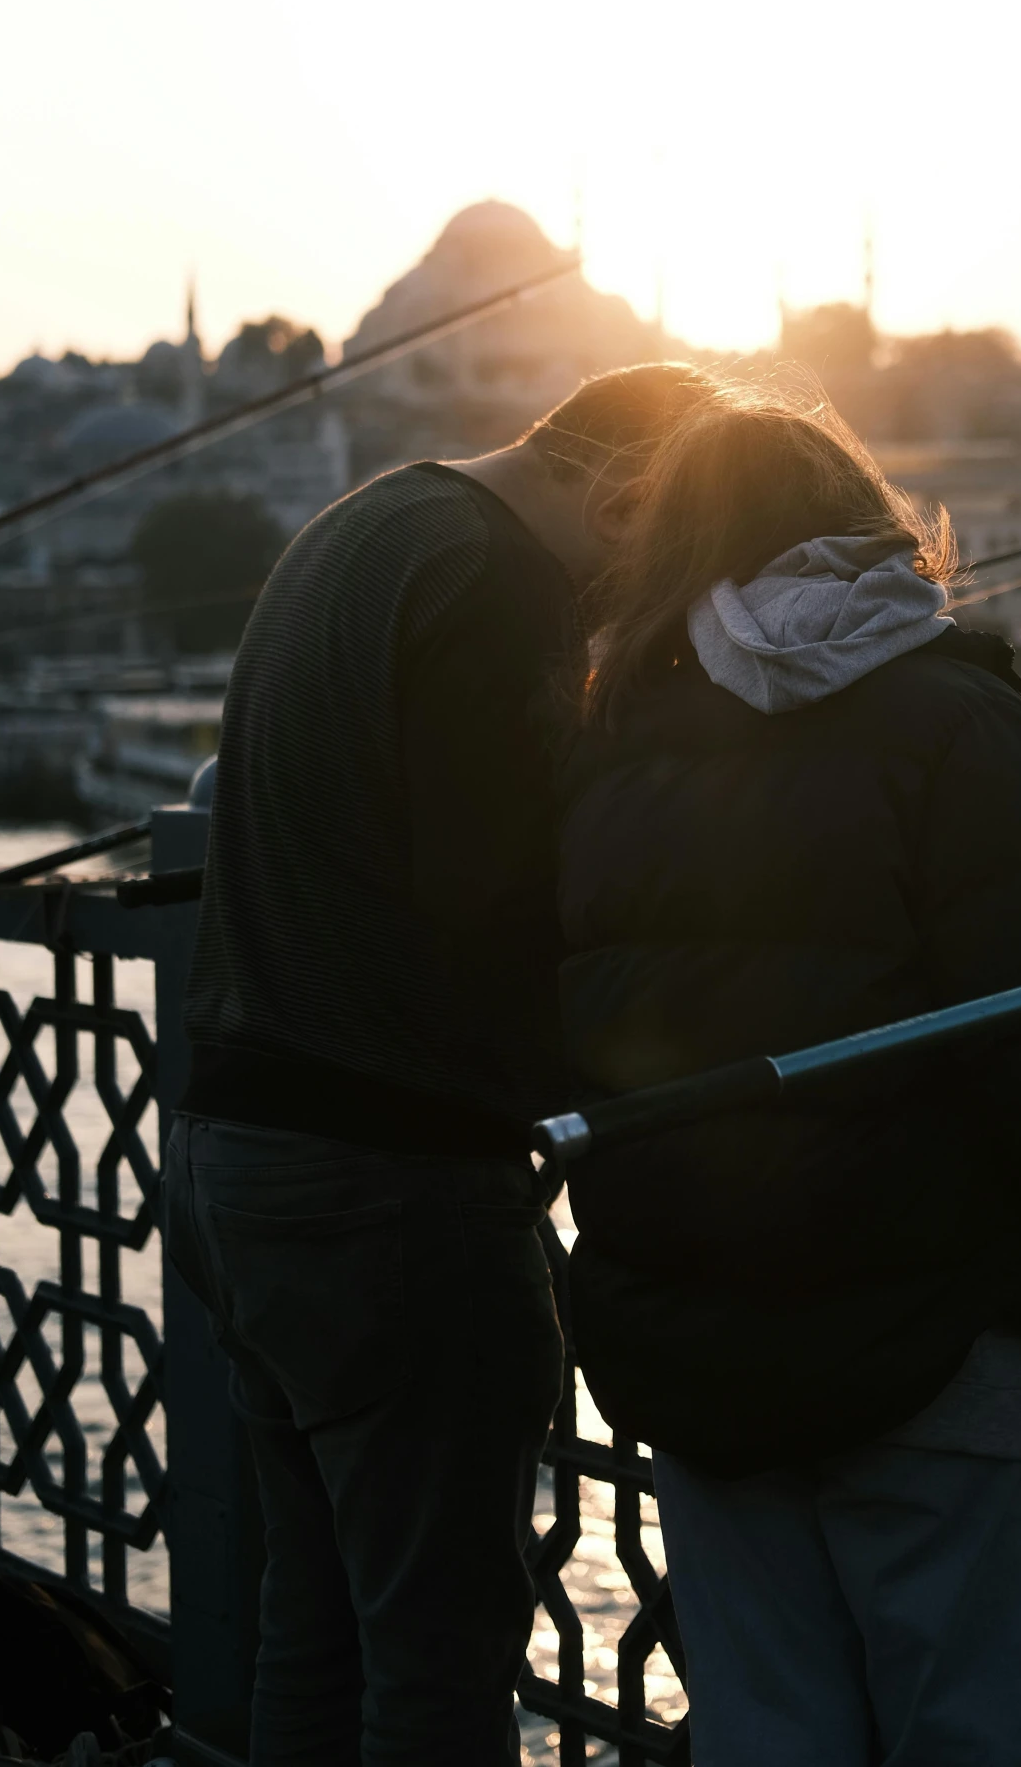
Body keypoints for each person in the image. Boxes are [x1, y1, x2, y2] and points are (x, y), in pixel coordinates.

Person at [554, 389, 1021, 1767]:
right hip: (926, 1323)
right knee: (965, 1726)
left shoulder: (613, 741)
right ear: (861, 523)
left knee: (767, 1734)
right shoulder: (948, 714)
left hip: (693, 1345)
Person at [163, 361, 714, 1767]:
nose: (631, 606)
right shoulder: (494, 578)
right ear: (618, 492)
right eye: (656, 558)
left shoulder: (370, 522)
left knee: (317, 1621)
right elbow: (496, 901)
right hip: (388, 1185)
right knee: (436, 1652)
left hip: (241, 1154)